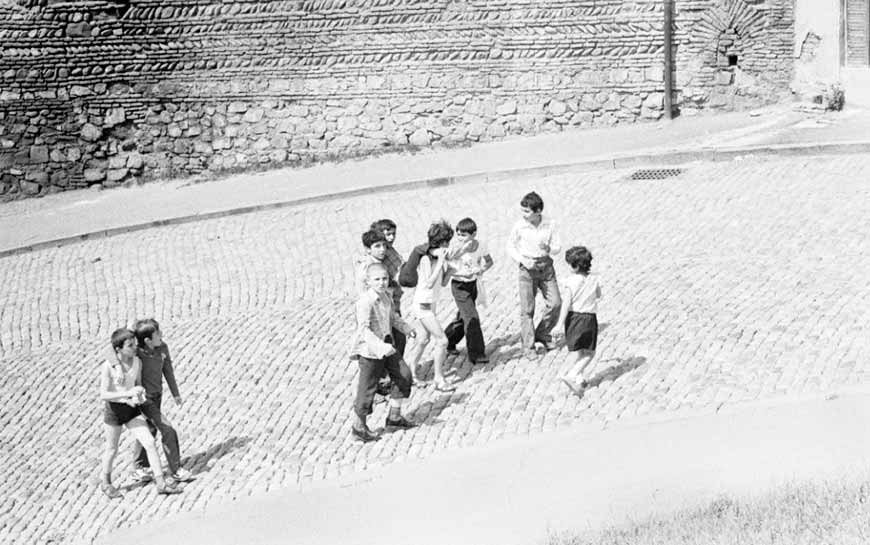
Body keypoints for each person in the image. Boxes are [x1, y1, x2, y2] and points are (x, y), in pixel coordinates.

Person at [99, 328, 181, 498]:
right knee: (112, 449)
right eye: (129, 346)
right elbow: (104, 394)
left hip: (131, 410)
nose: (134, 348)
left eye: (134, 344)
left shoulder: (137, 362)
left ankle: (160, 482)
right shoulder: (108, 367)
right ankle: (106, 482)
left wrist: (138, 393)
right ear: (118, 349)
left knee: (150, 442)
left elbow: (138, 383)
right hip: (114, 412)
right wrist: (126, 394)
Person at [349, 262, 417, 442]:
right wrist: (380, 347)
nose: (381, 282)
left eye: (384, 278)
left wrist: (405, 327)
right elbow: (364, 330)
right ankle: (359, 427)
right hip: (371, 352)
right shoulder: (365, 302)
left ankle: (394, 417)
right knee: (367, 388)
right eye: (377, 279)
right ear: (368, 281)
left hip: (389, 346)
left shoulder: (386, 296)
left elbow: (393, 317)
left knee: (404, 375)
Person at [130, 318, 194, 484]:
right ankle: (175, 469)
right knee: (167, 429)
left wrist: (176, 393)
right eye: (158, 333)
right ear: (147, 340)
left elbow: (168, 370)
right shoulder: (137, 352)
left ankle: (139, 467)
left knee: (149, 430)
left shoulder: (162, 348)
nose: (162, 335)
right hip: (144, 400)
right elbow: (112, 350)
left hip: (157, 396)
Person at [400, 220, 457, 391]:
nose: (447, 246)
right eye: (445, 242)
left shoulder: (439, 258)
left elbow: (443, 283)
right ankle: (439, 379)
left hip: (430, 305)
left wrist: (451, 270)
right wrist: (440, 262)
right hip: (422, 306)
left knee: (423, 339)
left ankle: (410, 373)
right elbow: (429, 283)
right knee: (442, 340)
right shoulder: (426, 259)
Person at [505, 191, 562, 358]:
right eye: (522, 211)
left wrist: (549, 249)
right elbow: (510, 246)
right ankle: (528, 347)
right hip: (527, 268)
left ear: (538, 211)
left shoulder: (550, 224)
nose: (523, 215)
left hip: (546, 266)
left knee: (556, 303)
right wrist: (522, 259)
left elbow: (558, 246)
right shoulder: (519, 226)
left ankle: (543, 334)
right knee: (527, 309)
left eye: (527, 211)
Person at [444, 217, 494, 364]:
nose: (460, 238)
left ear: (473, 234)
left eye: (464, 235)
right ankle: (477, 353)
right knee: (472, 317)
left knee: (463, 317)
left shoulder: (480, 245)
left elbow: (489, 261)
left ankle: (447, 340)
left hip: (473, 284)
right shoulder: (454, 248)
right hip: (459, 286)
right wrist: (461, 272)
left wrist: (481, 270)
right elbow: (448, 269)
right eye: (458, 234)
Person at [556, 246, 602, 396]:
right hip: (588, 318)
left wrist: (559, 324)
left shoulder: (570, 282)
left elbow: (566, 304)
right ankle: (573, 374)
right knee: (589, 352)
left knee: (578, 350)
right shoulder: (594, 279)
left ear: (575, 266)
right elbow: (598, 295)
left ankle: (575, 376)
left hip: (573, 318)